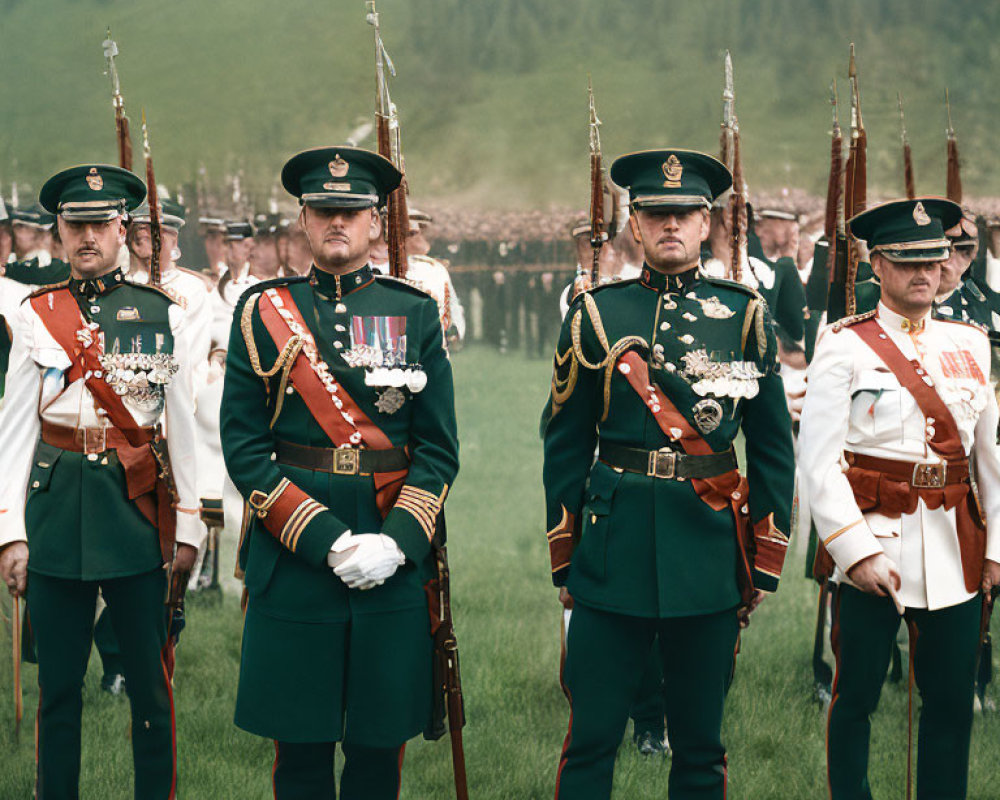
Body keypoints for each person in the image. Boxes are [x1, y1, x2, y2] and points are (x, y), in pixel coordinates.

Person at [543, 149, 795, 799]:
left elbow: (772, 447)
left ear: (707, 223)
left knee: (701, 747)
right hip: (612, 544)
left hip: (708, 548)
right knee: (592, 739)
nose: (671, 226)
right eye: (656, 215)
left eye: (684, 214)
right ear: (635, 225)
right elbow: (565, 443)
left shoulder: (744, 314)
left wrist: (763, 558)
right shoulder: (596, 315)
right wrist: (566, 557)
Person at [221, 146, 458, 799]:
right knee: (299, 753)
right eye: (323, 210)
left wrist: (397, 542)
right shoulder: (261, 312)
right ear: (302, 219)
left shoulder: (413, 312)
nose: (336, 223)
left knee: (379, 752)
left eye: (351, 211)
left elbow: (438, 449)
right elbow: (242, 446)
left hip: (391, 555)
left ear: (376, 223)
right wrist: (327, 539)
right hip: (295, 558)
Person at [0, 164, 202, 798]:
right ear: (59, 232)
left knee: (149, 687)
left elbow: (183, 424)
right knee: (58, 690)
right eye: (73, 225)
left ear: (123, 229)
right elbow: (14, 432)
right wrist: (10, 531)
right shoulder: (38, 313)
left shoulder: (162, 312)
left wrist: (190, 526)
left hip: (136, 511)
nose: (86, 237)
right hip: (57, 514)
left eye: (98, 224)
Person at [799, 197, 1000, 799]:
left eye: (934, 260)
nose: (924, 274)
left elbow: (990, 458)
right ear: (876, 264)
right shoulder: (843, 344)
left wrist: (996, 550)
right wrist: (854, 553)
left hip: (954, 552)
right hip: (874, 545)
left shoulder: (970, 342)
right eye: (908, 261)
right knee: (855, 697)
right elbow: (819, 462)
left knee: (949, 703)